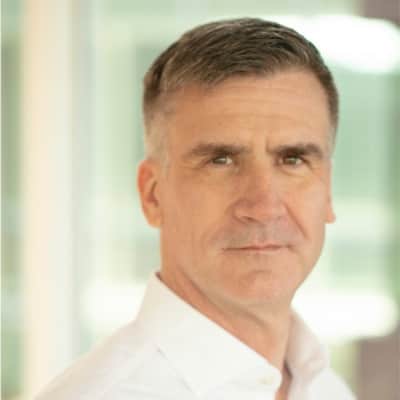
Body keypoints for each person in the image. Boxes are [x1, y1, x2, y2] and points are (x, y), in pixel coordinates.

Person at [37, 18, 356, 399]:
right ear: (152, 195)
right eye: (221, 160)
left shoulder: (325, 387)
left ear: (328, 192)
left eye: (293, 159)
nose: (264, 206)